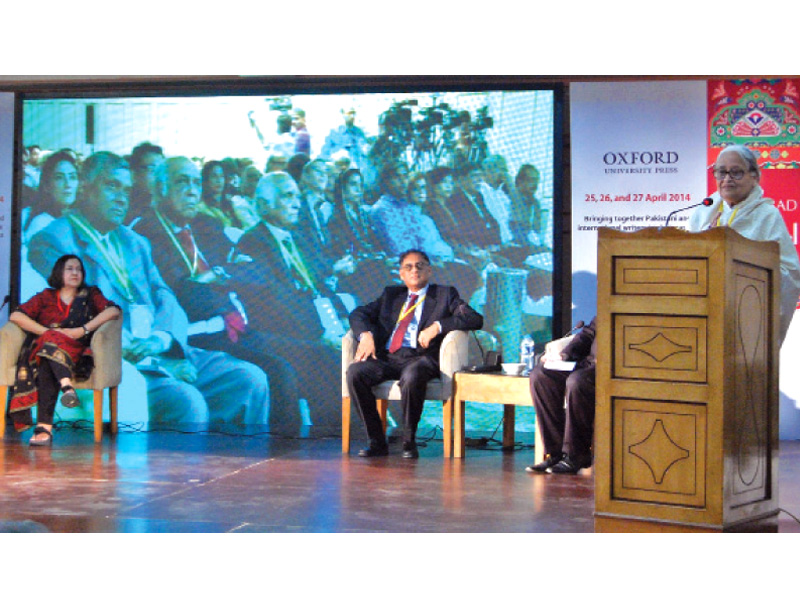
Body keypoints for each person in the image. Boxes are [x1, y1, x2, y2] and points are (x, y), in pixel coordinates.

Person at [28, 151, 269, 426]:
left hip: (156, 345)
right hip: (114, 358)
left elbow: (166, 298)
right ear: (85, 187)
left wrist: (162, 339)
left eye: (127, 190)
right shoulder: (53, 239)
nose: (122, 197)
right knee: (187, 403)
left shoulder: (134, 242)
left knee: (249, 380)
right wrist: (157, 364)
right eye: (112, 186)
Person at [134, 157, 301, 429]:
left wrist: (215, 276)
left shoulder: (205, 225)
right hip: (198, 338)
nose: (192, 190)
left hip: (233, 327)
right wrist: (225, 275)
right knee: (277, 373)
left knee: (305, 357)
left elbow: (254, 273)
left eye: (195, 183)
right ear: (161, 188)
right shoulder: (145, 232)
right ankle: (282, 460)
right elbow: (184, 295)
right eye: (182, 182)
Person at [234, 172, 347, 428]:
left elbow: (320, 283)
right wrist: (320, 333)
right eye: (287, 196)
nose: (297, 203)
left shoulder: (298, 238)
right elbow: (273, 302)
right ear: (264, 205)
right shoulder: (253, 242)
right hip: (288, 331)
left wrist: (344, 318)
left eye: (297, 196)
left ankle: (392, 426)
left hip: (323, 321)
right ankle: (335, 439)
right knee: (331, 360)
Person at [346, 249, 483, 458]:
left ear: (429, 270)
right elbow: (358, 313)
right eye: (408, 267)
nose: (414, 270)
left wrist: (438, 325)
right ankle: (376, 441)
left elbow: (475, 319)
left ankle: (408, 440)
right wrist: (365, 335)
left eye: (420, 266)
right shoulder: (391, 295)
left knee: (412, 376)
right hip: (388, 357)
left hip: (420, 358)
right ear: (401, 274)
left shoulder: (445, 295)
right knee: (356, 372)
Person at [688, 144, 800, 345]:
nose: (727, 179)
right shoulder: (704, 211)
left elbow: (789, 272)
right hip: (704, 313)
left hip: (747, 315)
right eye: (721, 172)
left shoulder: (766, 215)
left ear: (754, 176)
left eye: (736, 172)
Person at [8, 254, 121, 445]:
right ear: (59, 272)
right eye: (70, 268)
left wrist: (82, 330)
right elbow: (16, 316)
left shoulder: (90, 294)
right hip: (46, 350)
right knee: (48, 355)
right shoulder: (45, 296)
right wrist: (49, 333)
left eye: (78, 269)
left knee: (47, 357)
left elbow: (113, 311)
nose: (75, 273)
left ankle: (44, 428)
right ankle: (66, 387)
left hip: (77, 350)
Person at [526, 317, 597, 474]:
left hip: (611, 367)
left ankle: (576, 455)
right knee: (540, 375)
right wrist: (564, 356)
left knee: (577, 381)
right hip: (586, 364)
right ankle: (556, 453)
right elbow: (587, 335)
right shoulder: (609, 306)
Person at [126, 142, 164, 225]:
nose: (159, 176)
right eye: (153, 169)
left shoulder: (164, 209)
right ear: (134, 174)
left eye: (162, 170)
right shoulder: (124, 210)